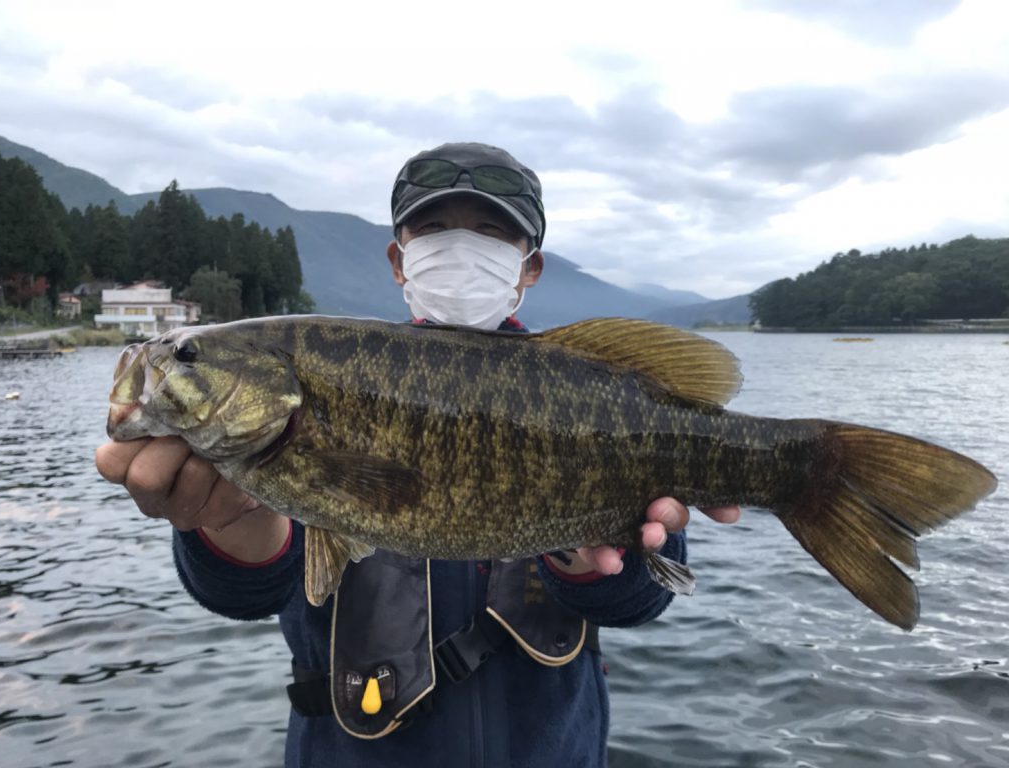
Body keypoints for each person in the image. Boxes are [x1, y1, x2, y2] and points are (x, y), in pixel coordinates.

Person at [95, 142, 741, 767]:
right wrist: (229, 517)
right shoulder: (316, 392)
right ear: (399, 259)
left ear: (530, 267)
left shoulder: (591, 385)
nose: (461, 248)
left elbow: (636, 602)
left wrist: (593, 550)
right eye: (432, 228)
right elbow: (246, 590)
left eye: (492, 232)